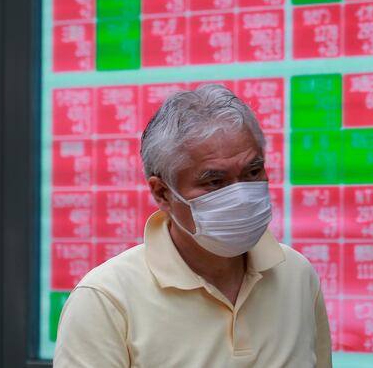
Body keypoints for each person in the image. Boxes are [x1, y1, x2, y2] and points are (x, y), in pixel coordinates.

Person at [54, 84, 332, 367]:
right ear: (162, 193)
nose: (241, 196)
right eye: (215, 182)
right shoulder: (107, 299)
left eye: (252, 171)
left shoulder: (296, 274)